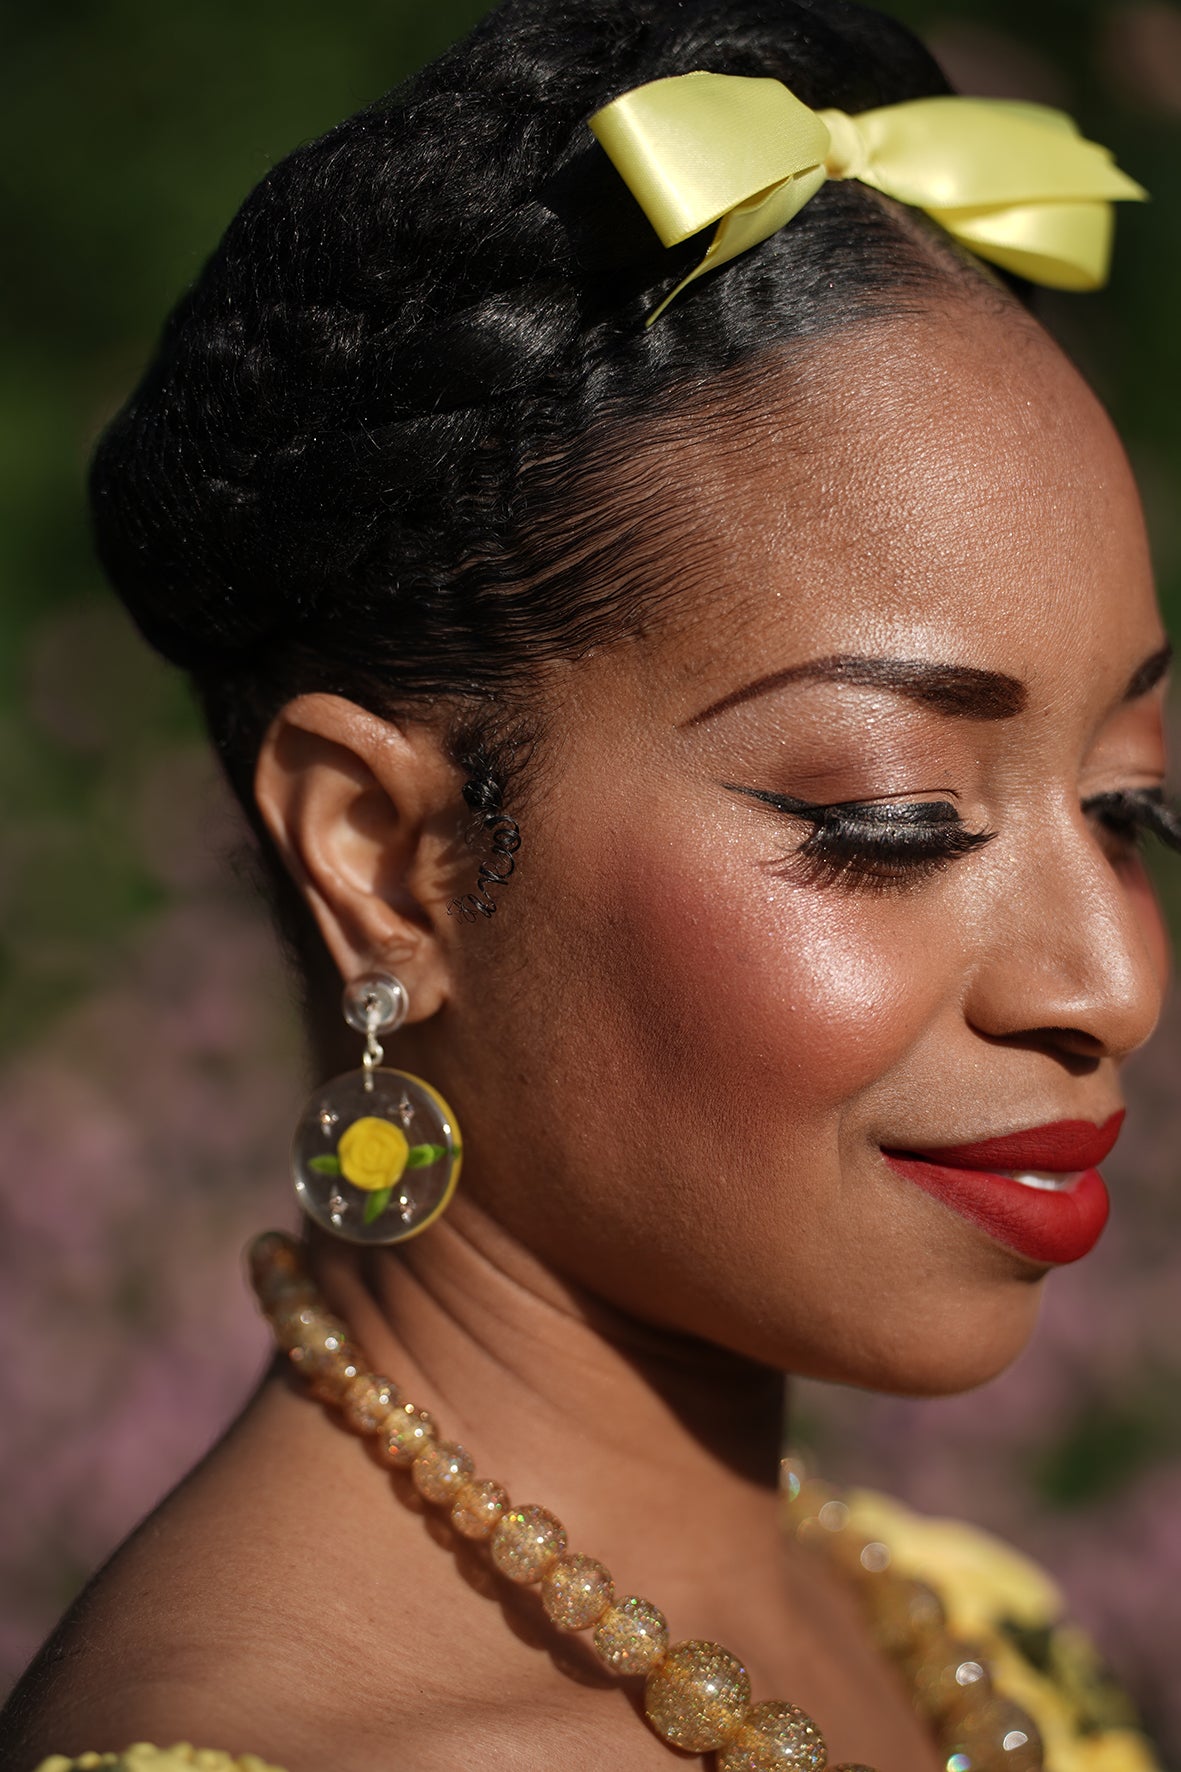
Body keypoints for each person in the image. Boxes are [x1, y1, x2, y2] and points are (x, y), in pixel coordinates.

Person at [1, 0, 1175, 1767]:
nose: (1110, 984)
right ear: (383, 856)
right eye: (897, 817)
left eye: (1127, 807)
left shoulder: (961, 1622)